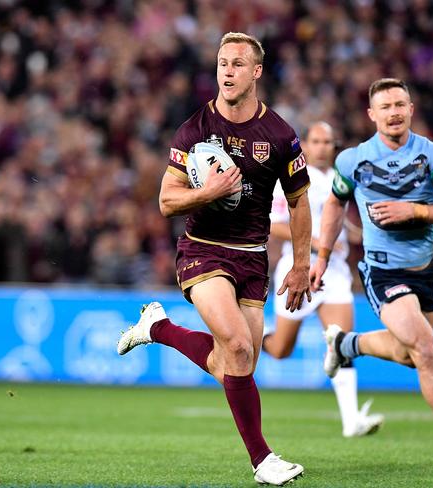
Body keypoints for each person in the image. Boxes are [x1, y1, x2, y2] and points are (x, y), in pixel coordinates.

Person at [117, 32, 311, 486]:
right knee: (239, 347)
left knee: (235, 364)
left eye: (238, 64)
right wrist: (210, 192)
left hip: (253, 258)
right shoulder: (196, 129)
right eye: (223, 62)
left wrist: (301, 264)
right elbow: (167, 201)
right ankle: (263, 461)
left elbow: (301, 201)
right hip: (202, 252)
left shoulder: (280, 134)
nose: (227, 71)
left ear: (257, 72)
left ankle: (157, 328)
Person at [310, 78, 433, 463]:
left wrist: (413, 210)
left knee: (410, 354)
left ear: (411, 109)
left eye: (400, 104)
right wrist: (322, 256)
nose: (394, 113)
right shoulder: (353, 160)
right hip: (383, 273)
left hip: (425, 271)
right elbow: (334, 205)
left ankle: (346, 345)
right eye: (386, 106)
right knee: (427, 351)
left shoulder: (431, 155)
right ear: (372, 114)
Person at [264, 121, 384, 438]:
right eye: (315, 141)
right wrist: (317, 243)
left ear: (334, 146)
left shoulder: (339, 179)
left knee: (341, 340)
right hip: (298, 269)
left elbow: (343, 225)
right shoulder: (289, 180)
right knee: (280, 349)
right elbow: (273, 225)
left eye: (327, 141)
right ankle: (256, 333)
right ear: (304, 144)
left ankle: (351, 421)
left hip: (335, 273)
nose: (320, 147)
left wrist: (360, 235)